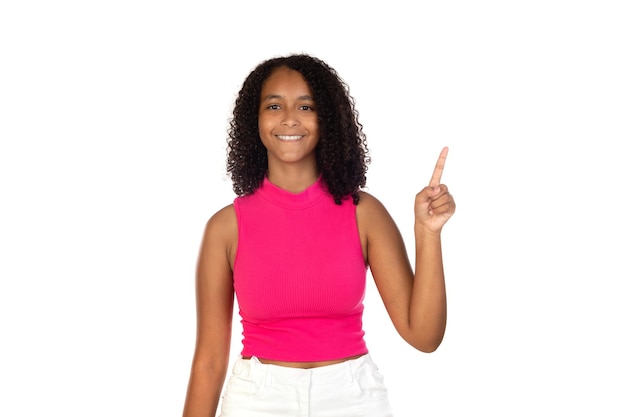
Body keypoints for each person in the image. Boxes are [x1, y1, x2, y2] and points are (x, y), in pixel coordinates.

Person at [182, 53, 456, 417]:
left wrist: (427, 233)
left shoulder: (364, 214)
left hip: (354, 399)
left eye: (306, 106)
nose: (289, 118)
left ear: (326, 118)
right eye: (274, 105)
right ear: (256, 119)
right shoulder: (225, 228)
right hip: (257, 401)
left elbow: (424, 336)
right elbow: (210, 361)